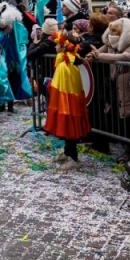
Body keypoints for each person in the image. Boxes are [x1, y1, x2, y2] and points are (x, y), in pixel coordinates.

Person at [87, 17, 130, 153]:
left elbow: (126, 56)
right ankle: (121, 146)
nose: (111, 33)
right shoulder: (111, 41)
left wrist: (100, 56)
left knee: (129, 116)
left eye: (115, 31)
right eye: (110, 30)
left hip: (127, 84)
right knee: (115, 115)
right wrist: (92, 55)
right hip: (114, 83)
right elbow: (100, 51)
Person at [43, 30, 90, 168]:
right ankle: (67, 152)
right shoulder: (65, 59)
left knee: (70, 125)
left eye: (57, 44)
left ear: (63, 46)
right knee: (66, 125)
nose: (55, 47)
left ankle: (73, 156)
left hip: (69, 100)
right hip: (64, 98)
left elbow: (68, 84)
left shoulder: (69, 62)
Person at [0, 3, 31, 112]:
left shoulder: (13, 31)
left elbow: (21, 39)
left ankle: (10, 104)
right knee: (1, 82)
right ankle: (2, 104)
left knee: (11, 81)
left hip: (11, 60)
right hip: (1, 60)